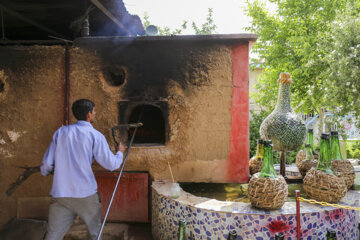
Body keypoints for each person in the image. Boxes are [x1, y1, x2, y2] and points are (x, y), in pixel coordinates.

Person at [40, 99, 125, 240]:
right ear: (89, 115)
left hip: (61, 194)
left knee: (53, 235)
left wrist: (46, 172)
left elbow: (47, 165)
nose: (95, 113)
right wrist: (120, 152)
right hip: (85, 194)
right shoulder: (95, 136)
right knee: (95, 233)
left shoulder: (60, 132)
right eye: (94, 111)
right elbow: (112, 164)